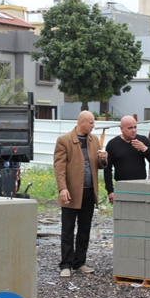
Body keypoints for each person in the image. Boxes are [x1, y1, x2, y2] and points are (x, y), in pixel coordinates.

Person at [53, 111, 108, 278]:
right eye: (91, 123)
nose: (94, 126)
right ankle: (66, 264)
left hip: (89, 191)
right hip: (71, 192)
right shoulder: (64, 141)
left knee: (85, 229)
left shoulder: (94, 140)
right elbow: (59, 167)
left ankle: (80, 262)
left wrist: (103, 160)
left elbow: (96, 164)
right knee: (68, 229)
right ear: (82, 122)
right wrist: (63, 188)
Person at [104, 116, 150, 204]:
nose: (133, 130)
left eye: (135, 127)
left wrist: (145, 149)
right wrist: (110, 191)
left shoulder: (143, 140)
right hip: (121, 186)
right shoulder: (113, 144)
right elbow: (107, 169)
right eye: (130, 128)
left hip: (140, 186)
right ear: (121, 129)